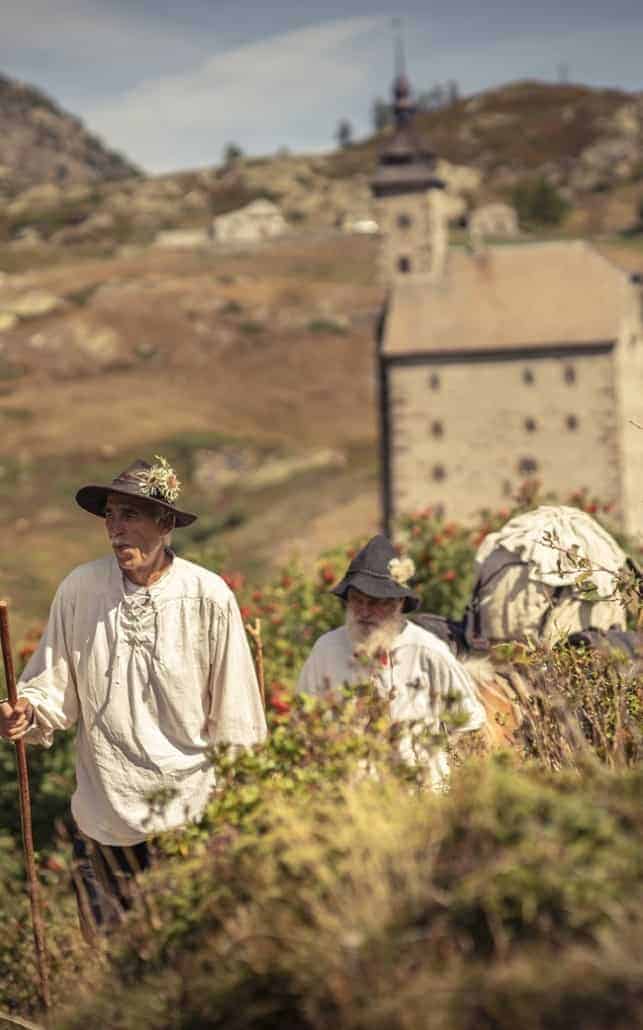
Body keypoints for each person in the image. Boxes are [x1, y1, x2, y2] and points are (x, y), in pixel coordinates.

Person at [0, 457, 266, 936]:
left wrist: (239, 812)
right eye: (110, 516)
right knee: (113, 962)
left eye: (130, 515)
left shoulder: (207, 596)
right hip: (104, 815)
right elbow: (51, 689)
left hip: (188, 815)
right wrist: (24, 710)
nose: (115, 529)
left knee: (186, 956)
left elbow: (237, 715)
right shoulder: (81, 589)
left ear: (165, 524)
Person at [296, 535, 485, 788]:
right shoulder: (326, 650)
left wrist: (438, 769)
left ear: (398, 604)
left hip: (419, 798)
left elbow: (469, 723)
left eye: (375, 603)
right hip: (346, 799)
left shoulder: (427, 652)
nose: (363, 612)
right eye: (357, 601)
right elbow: (304, 721)